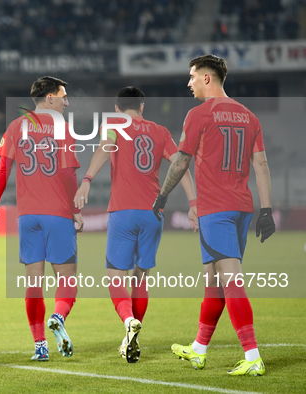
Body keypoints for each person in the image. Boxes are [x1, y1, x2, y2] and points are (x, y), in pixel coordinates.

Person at [152, 55, 275, 376]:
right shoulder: (249, 117)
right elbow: (261, 165)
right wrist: (267, 210)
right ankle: (199, 349)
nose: (188, 83)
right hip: (242, 209)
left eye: (192, 77)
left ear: (208, 78)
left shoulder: (199, 115)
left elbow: (180, 162)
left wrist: (162, 195)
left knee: (231, 280)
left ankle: (252, 355)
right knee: (214, 283)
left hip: (215, 211)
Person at [73, 86, 197, 363]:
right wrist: (193, 203)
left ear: (117, 108)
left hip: (123, 211)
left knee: (115, 275)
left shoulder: (115, 124)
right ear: (142, 107)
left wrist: (87, 180)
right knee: (140, 277)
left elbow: (105, 150)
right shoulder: (161, 131)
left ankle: (129, 320)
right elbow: (179, 165)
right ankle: (132, 338)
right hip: (154, 212)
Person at [0, 76, 83, 361]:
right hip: (58, 213)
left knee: (33, 283)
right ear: (50, 97)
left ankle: (40, 345)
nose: (67, 102)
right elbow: (68, 173)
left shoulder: (16, 126)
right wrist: (76, 210)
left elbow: (3, 170)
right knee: (67, 278)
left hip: (27, 216)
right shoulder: (63, 127)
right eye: (63, 96)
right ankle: (58, 317)